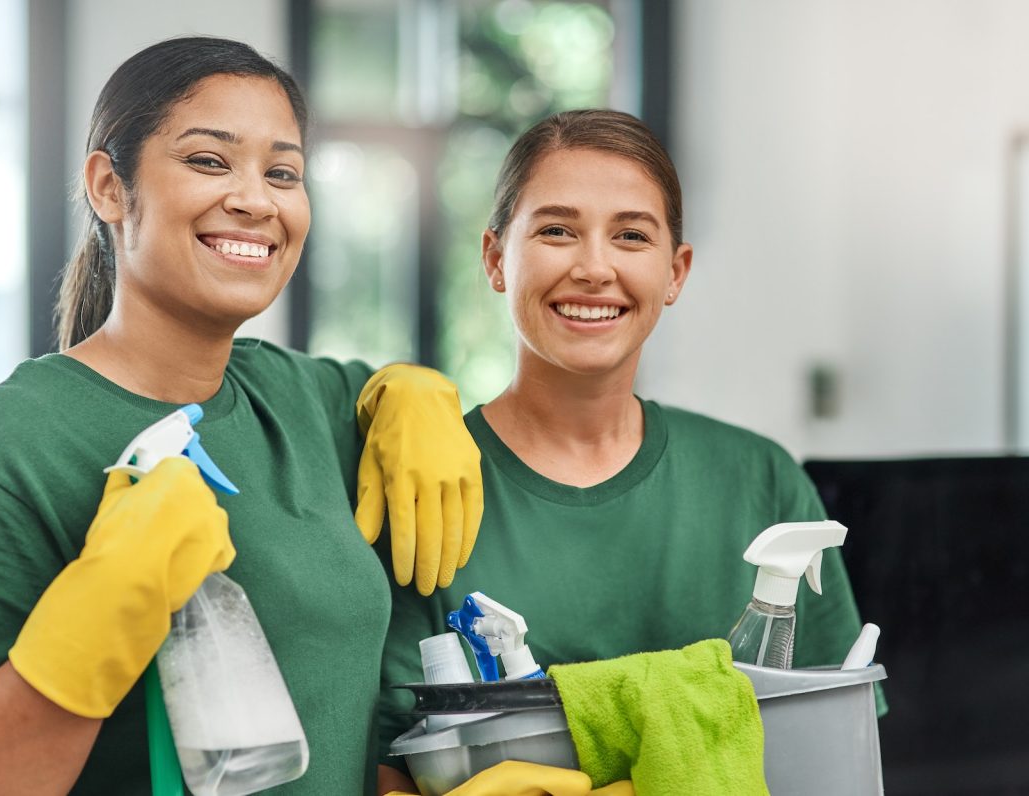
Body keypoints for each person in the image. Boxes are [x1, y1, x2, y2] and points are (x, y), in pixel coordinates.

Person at [0, 36, 482, 795]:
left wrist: (418, 388)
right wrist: (108, 604)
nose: (256, 200)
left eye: (284, 172)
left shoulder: (306, 400)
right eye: (209, 160)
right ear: (108, 185)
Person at [376, 109, 879, 795]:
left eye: (630, 236)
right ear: (496, 259)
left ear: (676, 272)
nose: (593, 267)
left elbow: (834, 753)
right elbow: (387, 767)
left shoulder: (759, 482)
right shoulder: (421, 484)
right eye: (556, 231)